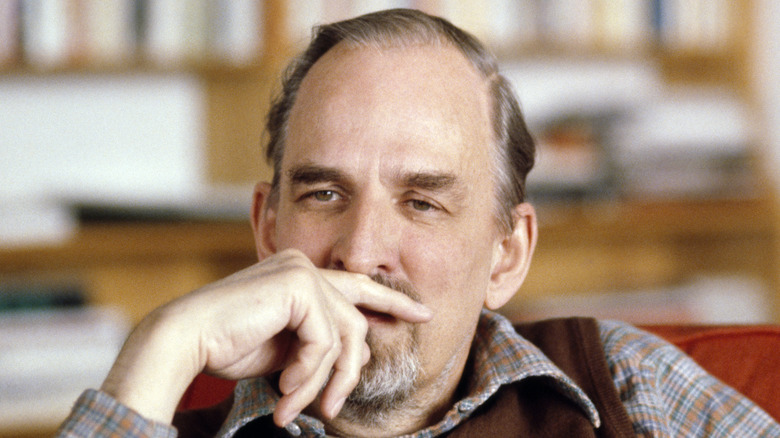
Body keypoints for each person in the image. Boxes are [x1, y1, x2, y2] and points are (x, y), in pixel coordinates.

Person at [57, 9, 778, 438]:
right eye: (323, 195)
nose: (361, 254)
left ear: (507, 255)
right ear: (267, 228)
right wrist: (160, 345)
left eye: (423, 202)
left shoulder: (627, 389)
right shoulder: (155, 417)